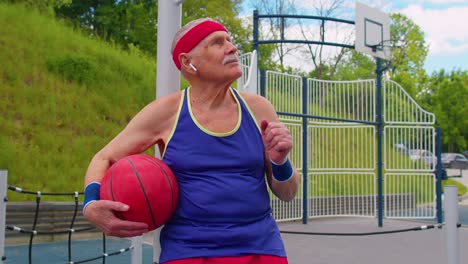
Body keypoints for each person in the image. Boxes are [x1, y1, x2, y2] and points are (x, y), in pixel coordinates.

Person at [83, 17, 300, 264]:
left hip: (261, 247)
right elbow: (103, 157)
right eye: (217, 43)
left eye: (230, 40)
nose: (232, 47)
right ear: (188, 62)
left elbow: (288, 193)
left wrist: (280, 162)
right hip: (189, 251)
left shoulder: (259, 109)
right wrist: (90, 204)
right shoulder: (166, 112)